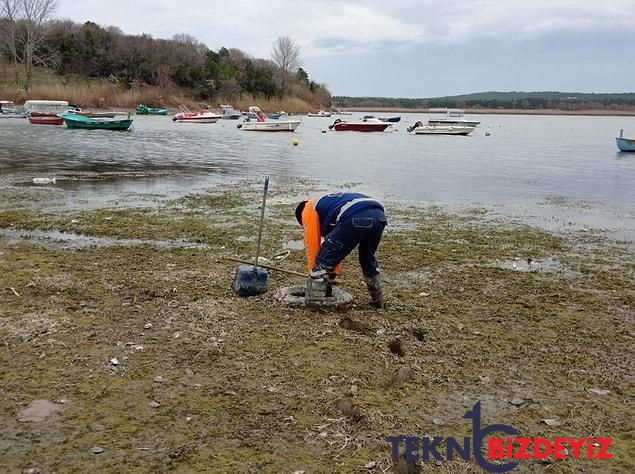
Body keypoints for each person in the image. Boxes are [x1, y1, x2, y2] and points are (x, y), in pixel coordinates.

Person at [295, 192, 387, 308]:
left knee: (322, 259)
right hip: (379, 215)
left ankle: (313, 304)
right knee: (367, 259)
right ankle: (378, 301)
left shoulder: (308, 209)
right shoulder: (329, 208)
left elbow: (312, 243)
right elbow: (339, 250)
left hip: (355, 214)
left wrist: (314, 271)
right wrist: (332, 273)